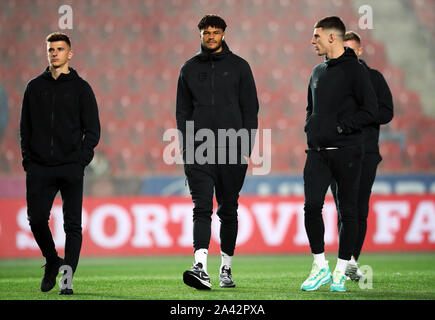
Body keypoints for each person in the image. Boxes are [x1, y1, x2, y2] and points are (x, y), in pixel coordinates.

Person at [176, 14, 259, 290]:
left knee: (228, 209)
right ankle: (199, 266)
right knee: (201, 208)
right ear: (199, 34)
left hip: (232, 148)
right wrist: (187, 145)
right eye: (206, 32)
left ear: (224, 33)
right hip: (199, 150)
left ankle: (226, 268)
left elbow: (251, 110)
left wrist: (246, 147)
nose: (210, 36)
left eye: (215, 32)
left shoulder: (240, 67)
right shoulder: (188, 69)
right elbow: (182, 111)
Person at [301, 17, 378, 292]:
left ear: (332, 37)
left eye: (316, 36)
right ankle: (320, 265)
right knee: (311, 207)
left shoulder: (356, 72)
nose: (313, 41)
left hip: (347, 152)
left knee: (348, 213)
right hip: (318, 152)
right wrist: (311, 126)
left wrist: (341, 126)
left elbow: (372, 111)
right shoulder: (317, 71)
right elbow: (310, 108)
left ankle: (340, 271)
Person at [20, 32, 100, 295]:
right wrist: (28, 161)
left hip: (70, 167)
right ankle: (53, 260)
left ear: (70, 53)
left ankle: (67, 277)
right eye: (51, 49)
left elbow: (93, 130)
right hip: (39, 168)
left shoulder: (81, 88)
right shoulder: (34, 87)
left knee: (72, 225)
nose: (54, 53)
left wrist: (81, 160)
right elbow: (25, 128)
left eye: (60, 49)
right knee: (36, 219)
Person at [330, 31, 394, 281]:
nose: (347, 53)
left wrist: (360, 117)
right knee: (343, 208)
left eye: (351, 50)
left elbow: (387, 112)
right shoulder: (330, 76)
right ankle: (346, 261)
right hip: (337, 151)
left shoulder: (374, 79)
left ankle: (351, 261)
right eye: (343, 49)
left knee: (359, 208)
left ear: (359, 52)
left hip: (365, 153)